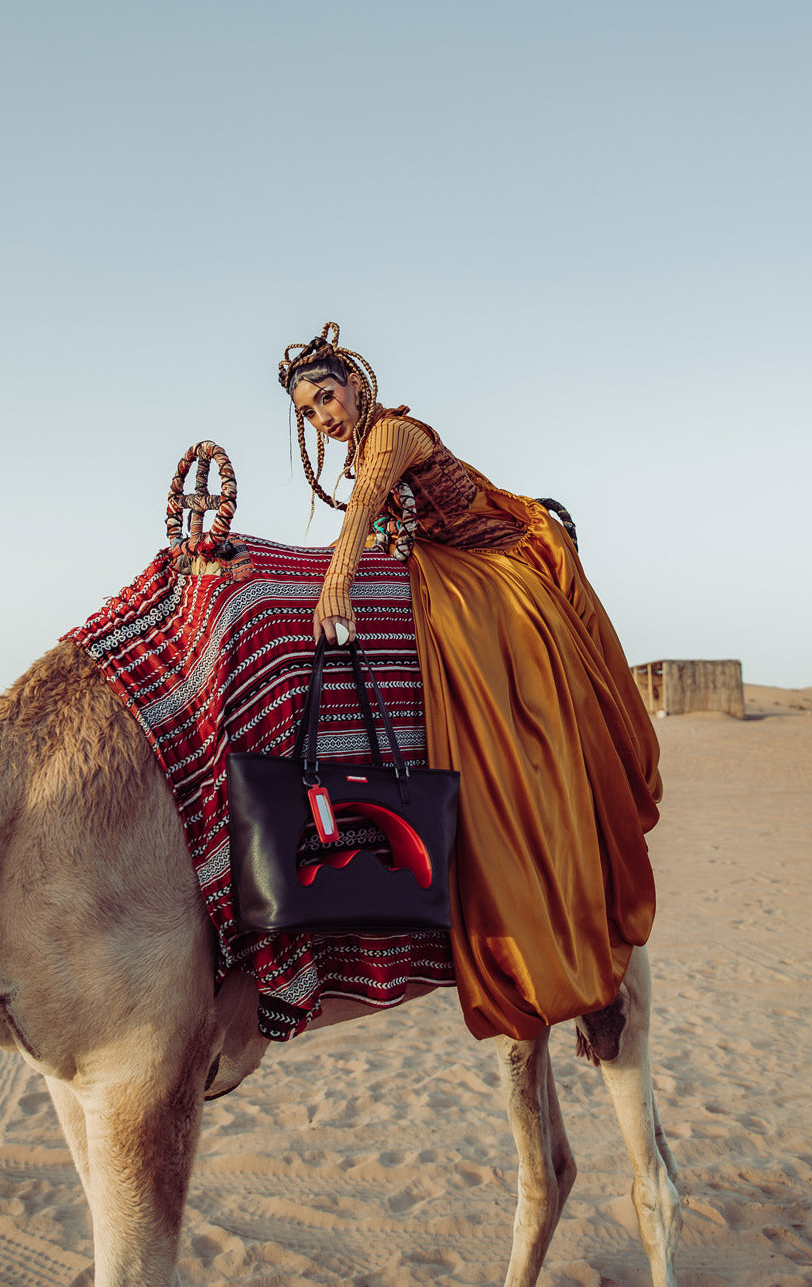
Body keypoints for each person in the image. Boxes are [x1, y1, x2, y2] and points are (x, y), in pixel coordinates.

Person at [279, 322, 661, 1041]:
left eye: (327, 397)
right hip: (449, 564)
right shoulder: (364, 450)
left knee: (501, 686)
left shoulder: (390, 437)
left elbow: (361, 518)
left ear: (356, 385)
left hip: (498, 566)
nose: (323, 416)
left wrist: (334, 590)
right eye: (308, 412)